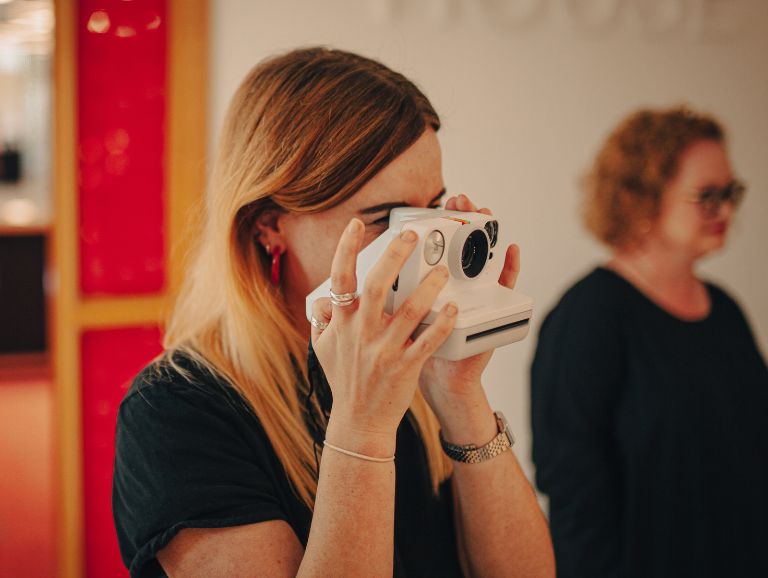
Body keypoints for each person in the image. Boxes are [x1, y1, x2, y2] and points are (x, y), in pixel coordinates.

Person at [112, 47, 555, 577]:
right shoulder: (175, 411)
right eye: (385, 219)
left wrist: (461, 398)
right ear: (268, 224)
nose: (415, 246)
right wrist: (362, 427)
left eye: (431, 211)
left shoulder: (400, 359)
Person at [531, 106, 768, 578]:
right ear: (638, 200)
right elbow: (574, 495)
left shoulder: (723, 309)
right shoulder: (588, 317)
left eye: (731, 193)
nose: (725, 210)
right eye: (707, 196)